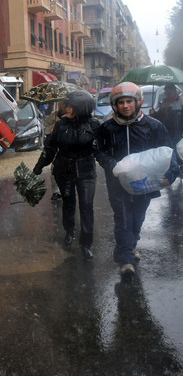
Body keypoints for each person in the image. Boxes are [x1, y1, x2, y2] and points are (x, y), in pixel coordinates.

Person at [94, 82, 179, 282]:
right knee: (123, 218)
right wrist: (112, 165)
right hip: (117, 183)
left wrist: (172, 174)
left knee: (138, 217)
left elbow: (168, 151)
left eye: (129, 101)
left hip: (145, 183)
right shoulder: (107, 128)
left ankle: (130, 245)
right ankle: (126, 260)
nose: (125, 106)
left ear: (137, 102)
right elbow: (98, 151)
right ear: (115, 105)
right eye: (121, 102)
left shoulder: (154, 126)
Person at [33, 90, 99, 259]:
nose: (67, 109)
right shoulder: (61, 124)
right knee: (68, 202)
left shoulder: (94, 125)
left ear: (82, 108)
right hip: (64, 169)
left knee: (86, 205)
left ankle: (86, 243)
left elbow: (102, 150)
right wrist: (39, 166)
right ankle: (69, 231)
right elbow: (51, 147)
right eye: (66, 106)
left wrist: (115, 167)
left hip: (86, 170)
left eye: (71, 107)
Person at [43, 102, 63, 200]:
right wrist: (52, 128)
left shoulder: (73, 116)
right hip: (56, 146)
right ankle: (56, 191)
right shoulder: (53, 116)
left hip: (68, 147)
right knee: (55, 169)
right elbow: (46, 130)